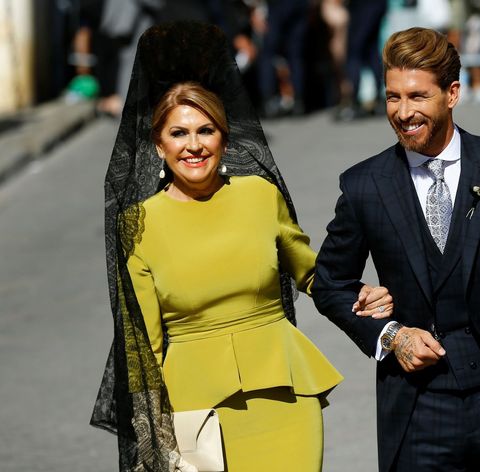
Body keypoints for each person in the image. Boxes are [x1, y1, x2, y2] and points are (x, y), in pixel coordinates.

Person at [90, 21, 393, 472]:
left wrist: (361, 295)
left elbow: (312, 274)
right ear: (158, 145)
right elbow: (144, 342)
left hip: (285, 394)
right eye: (178, 133)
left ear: (225, 138)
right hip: (196, 410)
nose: (193, 145)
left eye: (206, 131)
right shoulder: (138, 222)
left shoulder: (259, 195)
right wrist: (152, 437)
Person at [313, 27, 480, 471]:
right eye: (392, 97)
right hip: (418, 407)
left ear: (452, 93)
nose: (403, 113)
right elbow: (328, 283)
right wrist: (390, 335)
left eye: (418, 97)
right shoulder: (365, 185)